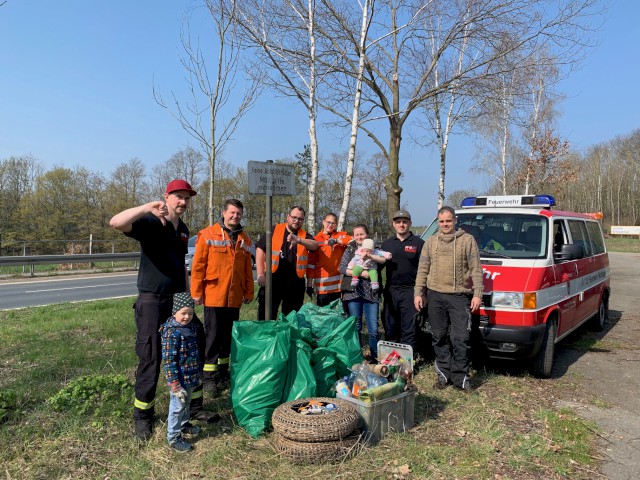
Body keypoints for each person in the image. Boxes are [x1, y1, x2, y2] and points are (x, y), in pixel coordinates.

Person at [109, 179, 215, 440]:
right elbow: (116, 222)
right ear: (166, 197)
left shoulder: (183, 229)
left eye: (187, 198)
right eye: (178, 196)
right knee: (152, 357)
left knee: (192, 348)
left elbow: (180, 265)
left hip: (178, 299)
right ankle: (143, 416)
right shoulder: (151, 222)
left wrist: (189, 297)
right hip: (152, 300)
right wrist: (146, 207)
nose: (183, 202)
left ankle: (192, 408)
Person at [414, 206, 483, 391]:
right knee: (439, 337)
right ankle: (443, 375)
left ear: (455, 221)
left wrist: (477, 294)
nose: (445, 224)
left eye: (448, 221)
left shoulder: (467, 240)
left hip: (459, 296)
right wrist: (418, 293)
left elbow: (476, 269)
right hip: (435, 295)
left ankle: (460, 378)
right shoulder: (430, 242)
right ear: (438, 222)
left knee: (460, 338)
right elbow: (422, 269)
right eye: (442, 221)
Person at [190, 199, 254, 394]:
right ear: (224, 213)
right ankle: (208, 377)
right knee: (212, 337)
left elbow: (247, 270)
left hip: (233, 298)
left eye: (239, 214)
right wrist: (196, 292)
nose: (235, 216)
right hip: (213, 295)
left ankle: (223, 373)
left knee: (227, 338)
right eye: (232, 213)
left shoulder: (245, 239)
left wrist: (249, 291)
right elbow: (198, 266)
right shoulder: (208, 234)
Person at [255, 205, 319, 320]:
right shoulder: (275, 229)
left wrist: (299, 240)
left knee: (291, 318)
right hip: (273, 280)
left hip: (294, 283)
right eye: (294, 217)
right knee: (266, 316)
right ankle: (267, 337)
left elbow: (315, 246)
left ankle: (286, 337)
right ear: (288, 217)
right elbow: (260, 249)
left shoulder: (304, 235)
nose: (296, 221)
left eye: (300, 219)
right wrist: (260, 274)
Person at [339, 224, 388, 361]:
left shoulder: (375, 249)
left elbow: (383, 261)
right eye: (357, 234)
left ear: (367, 235)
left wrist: (371, 256)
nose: (359, 237)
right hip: (353, 292)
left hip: (371, 294)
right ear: (353, 236)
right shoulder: (350, 250)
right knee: (356, 326)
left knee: (373, 327)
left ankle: (374, 357)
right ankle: (357, 357)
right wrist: (362, 273)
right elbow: (342, 268)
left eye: (362, 234)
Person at [161, 292, 202, 452]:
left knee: (186, 404)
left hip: (190, 376)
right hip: (179, 380)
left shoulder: (190, 328)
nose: (187, 317)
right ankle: (173, 437)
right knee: (177, 408)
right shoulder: (171, 333)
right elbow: (169, 361)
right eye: (183, 313)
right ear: (174, 313)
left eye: (190, 313)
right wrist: (174, 384)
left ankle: (184, 425)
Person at [381, 209, 424, 354]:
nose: (401, 224)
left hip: (410, 291)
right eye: (398, 222)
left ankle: (407, 364)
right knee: (390, 326)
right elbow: (375, 267)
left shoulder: (419, 244)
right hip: (391, 291)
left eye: (404, 222)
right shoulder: (386, 244)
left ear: (410, 224)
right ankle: (390, 361)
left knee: (409, 328)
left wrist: (422, 292)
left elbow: (425, 269)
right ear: (393, 224)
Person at [306, 212, 352, 307]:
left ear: (336, 224)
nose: (330, 225)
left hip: (340, 287)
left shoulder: (341, 235)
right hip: (324, 288)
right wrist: (309, 285)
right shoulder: (316, 239)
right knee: (325, 317)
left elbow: (352, 241)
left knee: (340, 317)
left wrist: (337, 241)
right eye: (328, 222)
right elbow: (311, 264)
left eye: (333, 223)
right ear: (323, 222)